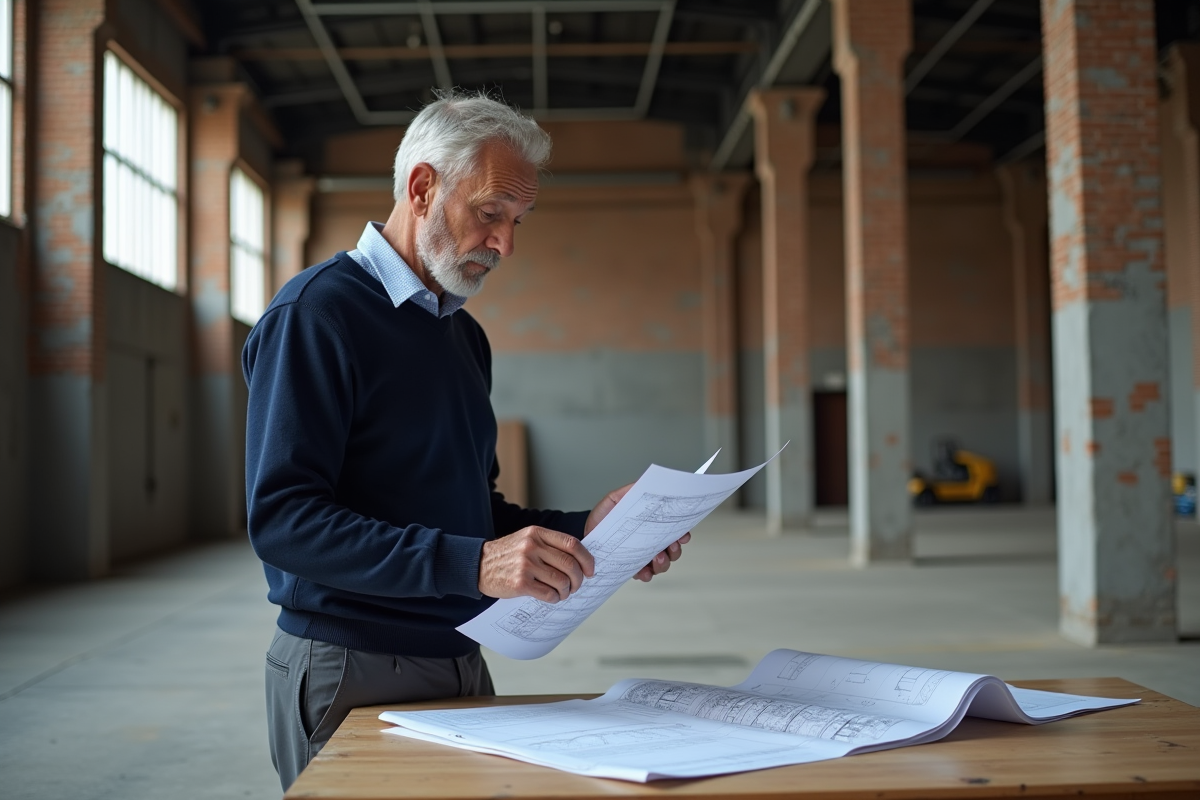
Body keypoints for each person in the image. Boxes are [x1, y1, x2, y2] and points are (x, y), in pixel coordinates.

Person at [242, 89, 691, 791]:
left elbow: (470, 516)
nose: (506, 244)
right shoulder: (317, 315)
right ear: (422, 188)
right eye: (490, 214)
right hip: (349, 666)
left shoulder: (462, 338)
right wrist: (473, 566)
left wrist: (591, 531)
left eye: (517, 221)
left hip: (461, 661)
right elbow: (285, 523)